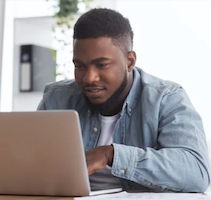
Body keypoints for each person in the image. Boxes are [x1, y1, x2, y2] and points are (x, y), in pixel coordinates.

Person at [37, 8, 210, 192]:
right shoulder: (56, 98)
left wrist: (111, 154)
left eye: (101, 65)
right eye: (80, 66)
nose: (89, 78)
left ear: (129, 61)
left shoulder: (166, 98)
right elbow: (30, 161)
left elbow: (196, 172)